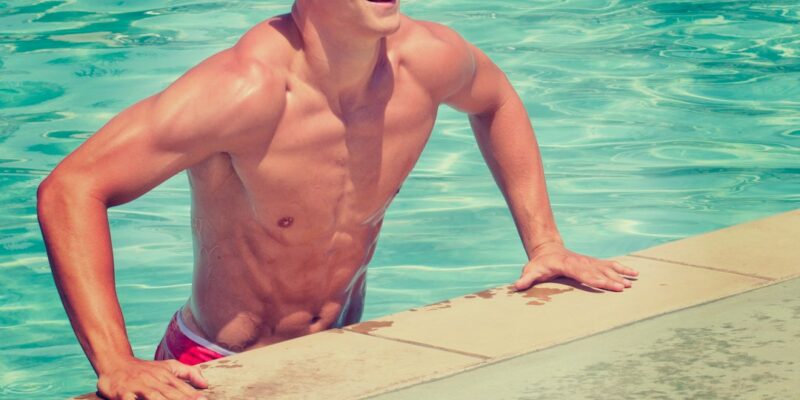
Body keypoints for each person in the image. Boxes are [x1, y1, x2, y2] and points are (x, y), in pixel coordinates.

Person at [36, 0, 639, 399]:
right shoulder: (246, 91)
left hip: (341, 352)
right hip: (216, 364)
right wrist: (116, 361)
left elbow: (497, 100)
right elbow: (70, 188)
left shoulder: (428, 62)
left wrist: (545, 243)